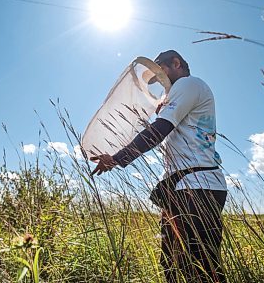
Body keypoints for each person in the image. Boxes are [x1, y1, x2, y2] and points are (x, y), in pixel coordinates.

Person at [90, 50, 227, 283]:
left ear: (176, 63)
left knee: (203, 268)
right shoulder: (178, 95)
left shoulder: (188, 84)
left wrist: (117, 158)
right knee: (172, 265)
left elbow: (158, 131)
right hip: (183, 186)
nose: (160, 83)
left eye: (160, 73)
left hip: (198, 186)